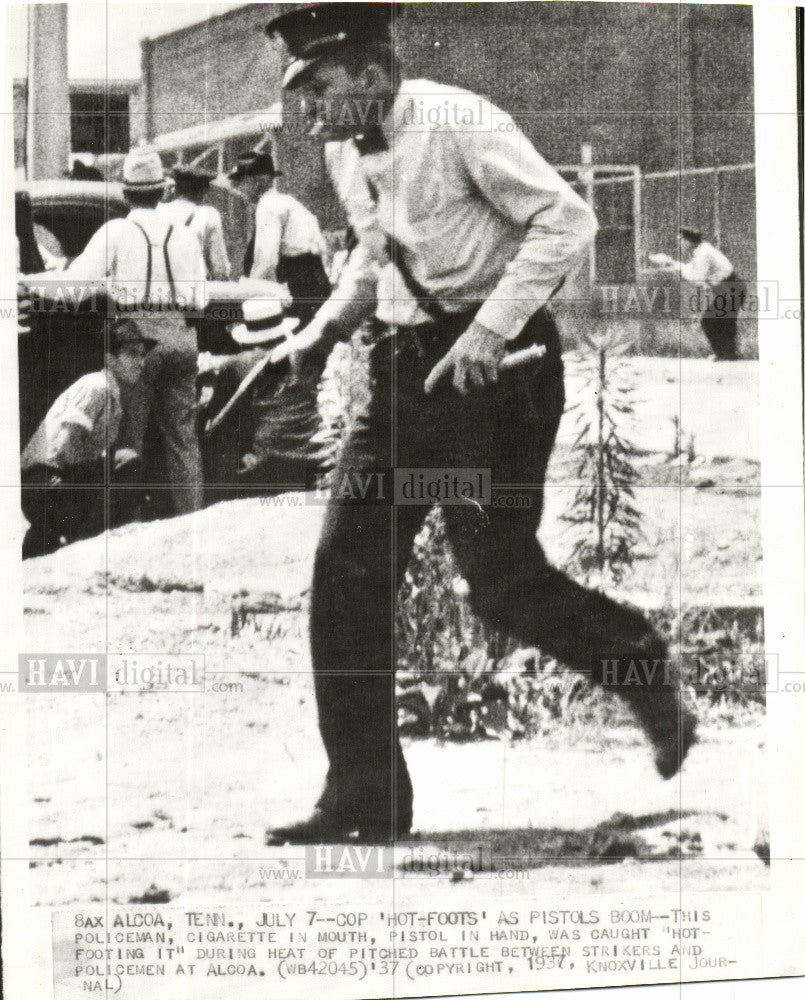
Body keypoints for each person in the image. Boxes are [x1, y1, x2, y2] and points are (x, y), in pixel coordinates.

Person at [262, 2, 698, 846]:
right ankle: (364, 797)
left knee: (498, 582)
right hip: (401, 376)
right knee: (343, 576)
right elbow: (375, 255)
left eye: (317, 87)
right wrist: (318, 336)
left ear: (373, 73)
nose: (306, 110)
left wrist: (488, 330)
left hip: (499, 378)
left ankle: (640, 666)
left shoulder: (458, 121)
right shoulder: (343, 153)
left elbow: (568, 219)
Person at [63, 146, 207, 515]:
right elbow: (200, 299)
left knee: (130, 438)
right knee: (183, 440)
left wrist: (108, 287)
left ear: (126, 194)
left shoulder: (116, 232)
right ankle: (191, 519)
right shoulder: (186, 234)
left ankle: (127, 522)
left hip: (138, 342)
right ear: (163, 191)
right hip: (182, 335)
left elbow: (73, 286)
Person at [21, 321, 155, 558]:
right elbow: (66, 442)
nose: (140, 362)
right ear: (110, 358)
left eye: (143, 355)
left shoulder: (112, 392)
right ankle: (82, 545)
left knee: (123, 461)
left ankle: (60, 539)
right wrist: (75, 480)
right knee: (128, 464)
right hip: (44, 479)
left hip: (55, 481)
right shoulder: (98, 386)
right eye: (131, 354)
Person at [199, 297, 327, 489]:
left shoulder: (238, 365)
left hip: (266, 462)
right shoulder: (306, 355)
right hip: (313, 453)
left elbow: (217, 413)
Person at [228, 149, 331, 326]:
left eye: (243, 183)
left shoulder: (267, 206)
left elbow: (266, 259)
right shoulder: (288, 202)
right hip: (317, 278)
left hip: (298, 282)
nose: (241, 190)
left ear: (257, 181)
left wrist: (252, 295)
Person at [649, 227, 744, 360]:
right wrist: (673, 264)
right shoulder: (701, 250)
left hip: (730, 288)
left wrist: (673, 264)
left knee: (709, 321)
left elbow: (696, 278)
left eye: (681, 240)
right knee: (724, 322)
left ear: (689, 240)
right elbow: (693, 269)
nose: (679, 243)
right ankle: (728, 355)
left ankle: (725, 355)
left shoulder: (703, 253)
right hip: (730, 287)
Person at [160, 165, 231, 280]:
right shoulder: (209, 215)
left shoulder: (159, 210)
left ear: (176, 188)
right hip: (192, 285)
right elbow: (219, 268)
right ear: (204, 191)